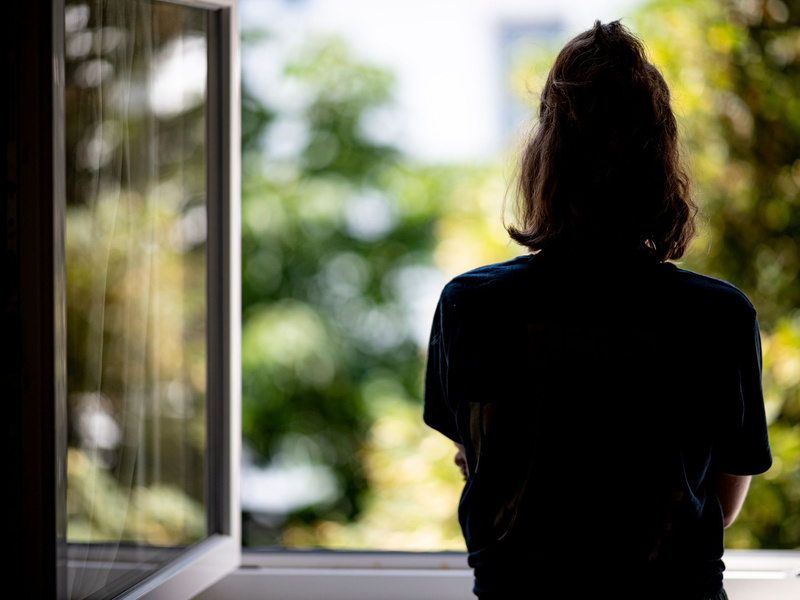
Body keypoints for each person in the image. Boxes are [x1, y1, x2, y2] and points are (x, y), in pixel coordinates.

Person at [422, 19, 773, 600]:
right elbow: (721, 505)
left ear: (543, 159)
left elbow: (483, 464)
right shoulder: (719, 316)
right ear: (662, 163)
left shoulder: (472, 305)